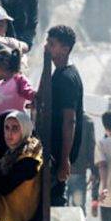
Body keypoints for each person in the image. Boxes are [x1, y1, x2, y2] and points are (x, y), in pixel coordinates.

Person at [43, 25, 84, 207]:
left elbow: (70, 120)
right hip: (51, 152)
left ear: (65, 49)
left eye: (52, 44)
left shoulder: (67, 78)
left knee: (55, 202)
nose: (47, 47)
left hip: (58, 154)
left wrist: (64, 160)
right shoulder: (57, 74)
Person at [67, 113, 96, 214]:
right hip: (79, 171)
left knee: (59, 208)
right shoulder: (87, 121)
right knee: (78, 210)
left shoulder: (60, 115)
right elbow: (91, 147)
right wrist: (94, 170)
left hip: (60, 172)